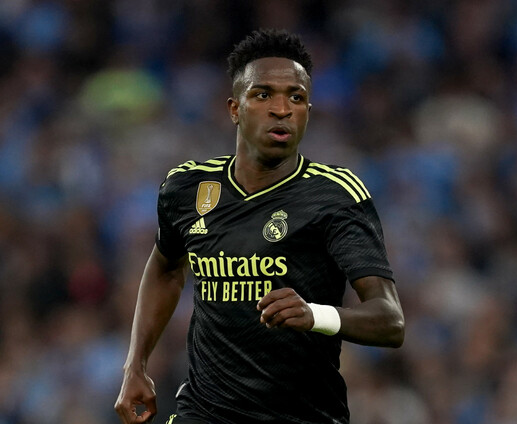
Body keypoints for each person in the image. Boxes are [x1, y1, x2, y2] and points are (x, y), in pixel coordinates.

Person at [114, 28, 405, 424]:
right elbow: (165, 269)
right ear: (235, 109)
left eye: (296, 97)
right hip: (204, 411)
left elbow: (390, 321)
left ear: (308, 112)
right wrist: (135, 365)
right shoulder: (187, 188)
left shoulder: (334, 196)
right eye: (263, 94)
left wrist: (315, 315)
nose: (281, 108)